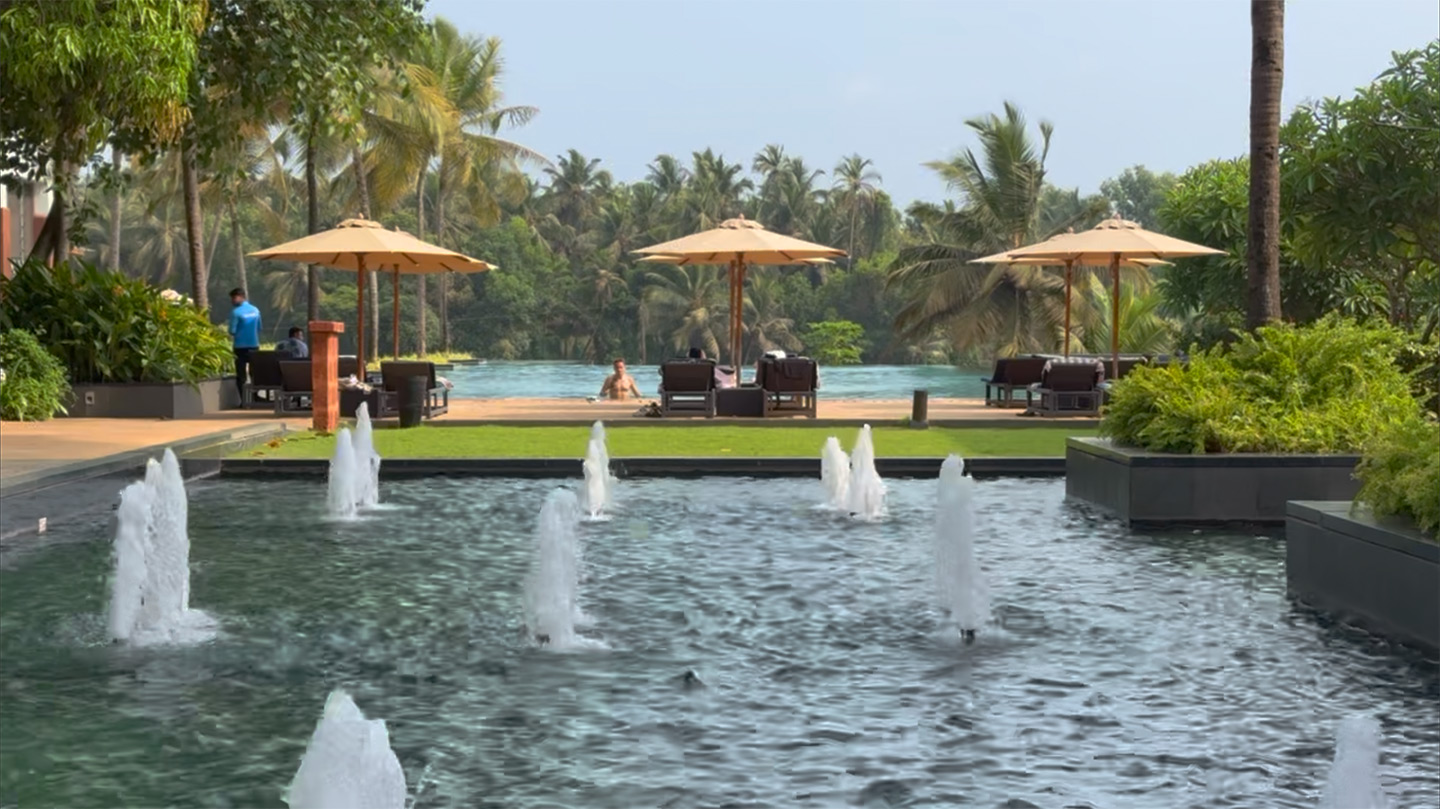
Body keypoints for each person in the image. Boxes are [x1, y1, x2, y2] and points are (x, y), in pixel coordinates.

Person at [227, 288, 261, 399]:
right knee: (254, 373)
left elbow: (232, 330)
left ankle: (243, 399)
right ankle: (255, 397)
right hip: (254, 345)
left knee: (241, 375)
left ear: (241, 297)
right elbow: (259, 327)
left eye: (234, 298)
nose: (232, 300)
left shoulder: (236, 312)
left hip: (240, 347)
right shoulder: (255, 310)